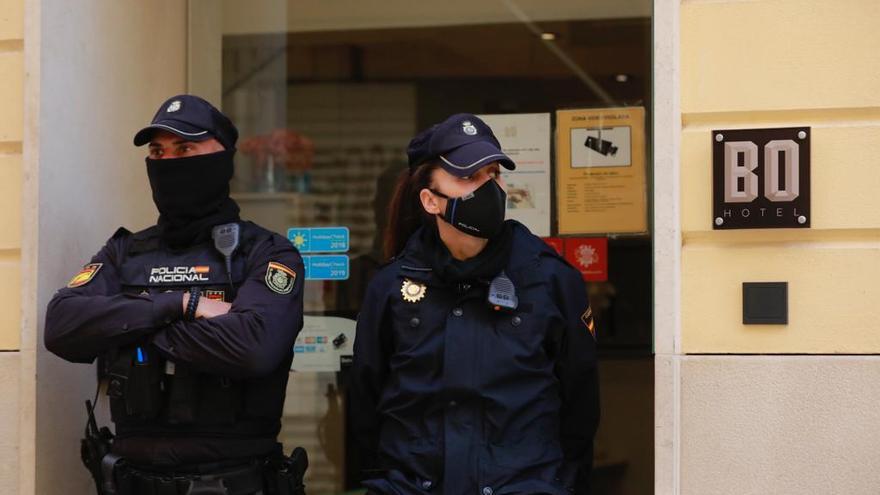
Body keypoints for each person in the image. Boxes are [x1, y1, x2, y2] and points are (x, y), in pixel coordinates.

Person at [44, 94, 308, 495]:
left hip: (233, 481)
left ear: (223, 158)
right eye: (157, 151)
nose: (168, 163)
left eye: (185, 148)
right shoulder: (125, 252)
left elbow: (255, 346)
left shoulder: (266, 253)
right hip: (131, 481)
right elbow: (61, 325)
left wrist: (127, 328)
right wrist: (180, 304)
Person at [350, 114, 600, 495]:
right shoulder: (391, 286)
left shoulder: (548, 279)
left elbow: (579, 405)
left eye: (494, 173)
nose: (488, 187)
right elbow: (366, 401)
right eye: (468, 177)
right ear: (430, 200)